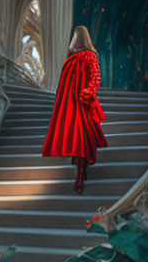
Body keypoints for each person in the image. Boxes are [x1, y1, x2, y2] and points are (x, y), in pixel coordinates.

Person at [42, 25, 108, 193]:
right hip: (71, 103)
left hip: (81, 102)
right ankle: (80, 170)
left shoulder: (85, 57)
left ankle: (81, 172)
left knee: (82, 135)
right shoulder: (73, 58)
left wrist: (88, 93)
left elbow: (95, 78)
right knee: (78, 135)